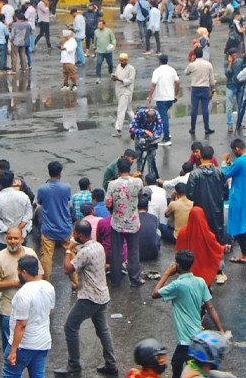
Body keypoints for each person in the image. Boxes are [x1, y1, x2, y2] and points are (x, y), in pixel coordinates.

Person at [54, 221, 118, 376]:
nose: (72, 236)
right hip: (102, 295)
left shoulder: (84, 252)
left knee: (70, 326)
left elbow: (68, 269)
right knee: (103, 330)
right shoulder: (98, 246)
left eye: (74, 233)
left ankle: (73, 365)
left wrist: (69, 250)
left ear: (80, 235)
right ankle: (111, 364)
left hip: (89, 298)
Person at [152, 250, 225, 378]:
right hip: (197, 334)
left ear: (178, 265)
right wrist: (221, 330)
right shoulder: (200, 282)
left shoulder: (177, 285)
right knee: (191, 364)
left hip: (186, 339)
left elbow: (155, 294)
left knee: (177, 363)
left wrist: (167, 273)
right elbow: (211, 307)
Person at [3, 256, 56, 378]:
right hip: (43, 343)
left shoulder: (23, 294)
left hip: (24, 345)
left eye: (18, 271)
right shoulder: (49, 287)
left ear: (24, 272)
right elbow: (50, 311)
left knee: (11, 374)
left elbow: (21, 324)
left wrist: (13, 350)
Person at [0, 227, 41, 352]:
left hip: (30, 309)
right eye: (10, 238)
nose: (13, 241)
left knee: (29, 345)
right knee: (9, 347)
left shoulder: (30, 254)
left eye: (16, 238)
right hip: (8, 310)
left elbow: (40, 274)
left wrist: (28, 283)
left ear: (22, 239)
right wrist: (14, 283)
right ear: (6, 239)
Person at [107, 157, 144, 287]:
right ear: (129, 169)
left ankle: (115, 279)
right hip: (133, 222)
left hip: (117, 222)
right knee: (133, 251)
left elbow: (108, 202)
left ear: (118, 169)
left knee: (116, 251)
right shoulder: (138, 182)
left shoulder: (112, 184)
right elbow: (140, 195)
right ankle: (135, 278)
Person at [36, 161, 74, 283]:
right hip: (65, 226)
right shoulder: (66, 187)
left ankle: (46, 281)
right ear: (60, 173)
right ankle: (75, 282)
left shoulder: (42, 189)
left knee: (46, 255)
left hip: (48, 228)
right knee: (71, 253)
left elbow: (40, 202)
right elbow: (68, 200)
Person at [148, 55, 180, 145]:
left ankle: (166, 138)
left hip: (161, 98)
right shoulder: (172, 70)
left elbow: (153, 85)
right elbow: (177, 82)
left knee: (164, 118)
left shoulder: (157, 71)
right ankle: (167, 133)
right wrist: (176, 94)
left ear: (159, 61)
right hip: (170, 97)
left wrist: (149, 97)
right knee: (164, 116)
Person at [184, 47, 216, 136]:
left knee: (194, 108)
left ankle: (193, 128)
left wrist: (192, 61)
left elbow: (186, 72)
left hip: (195, 88)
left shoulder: (192, 65)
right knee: (205, 108)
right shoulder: (208, 64)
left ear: (195, 55)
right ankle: (207, 128)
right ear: (202, 54)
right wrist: (212, 88)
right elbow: (212, 79)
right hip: (205, 87)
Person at [111, 53, 136, 136]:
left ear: (126, 60)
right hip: (119, 90)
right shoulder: (118, 66)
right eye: (120, 60)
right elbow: (116, 75)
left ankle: (118, 129)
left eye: (123, 60)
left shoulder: (131, 69)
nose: (121, 62)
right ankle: (137, 125)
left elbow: (130, 80)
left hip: (126, 92)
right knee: (128, 110)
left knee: (121, 110)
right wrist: (114, 77)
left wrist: (119, 80)